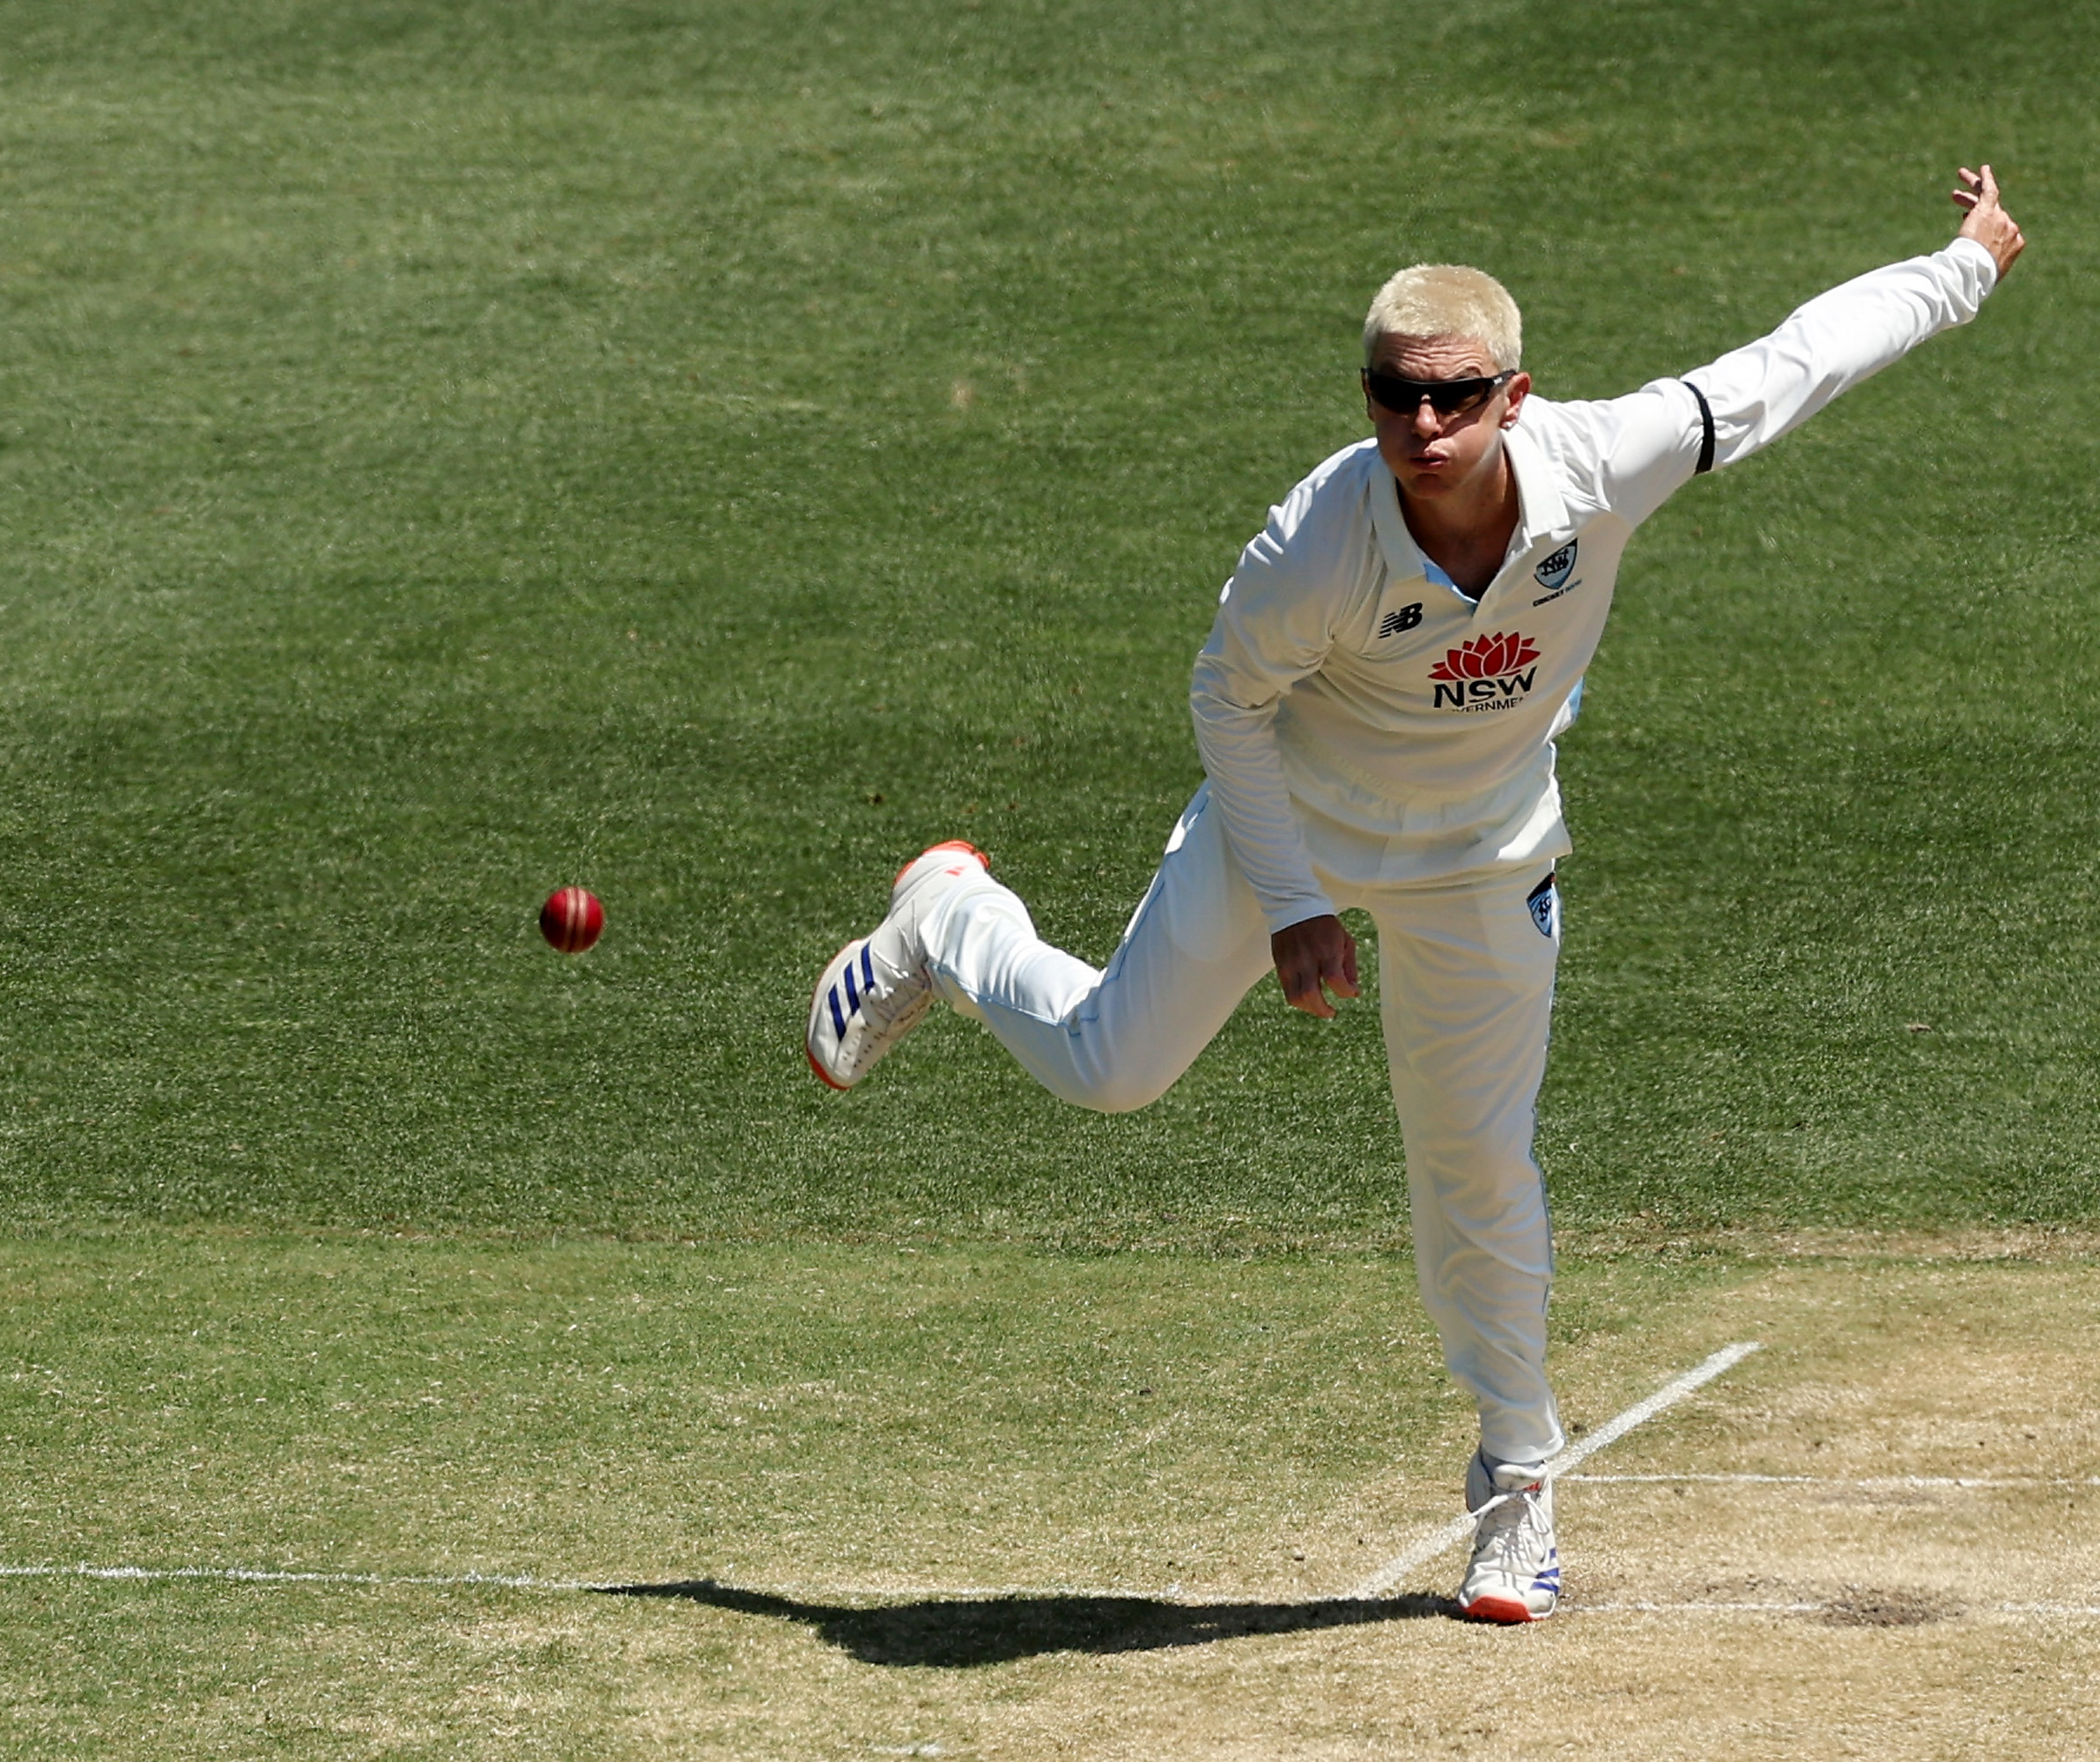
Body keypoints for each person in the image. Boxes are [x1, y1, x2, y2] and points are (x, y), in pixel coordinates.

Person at [806, 167, 2026, 1623]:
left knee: (1477, 1160)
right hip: (1294, 828)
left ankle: (1518, 1489)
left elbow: (1790, 366)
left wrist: (1965, 264)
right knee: (1110, 1071)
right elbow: (1226, 707)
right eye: (1394, 397)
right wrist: (1296, 896)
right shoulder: (1314, 542)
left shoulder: (1607, 459)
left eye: (1453, 397)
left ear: (1518, 395)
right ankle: (947, 917)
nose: (1422, 430)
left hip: (1485, 855)